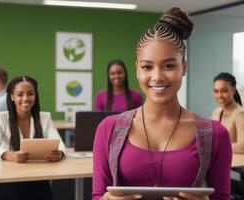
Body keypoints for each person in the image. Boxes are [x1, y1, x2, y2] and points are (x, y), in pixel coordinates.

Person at [92, 7, 232, 200]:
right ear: (137, 69)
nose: (157, 77)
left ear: (184, 66)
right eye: (147, 67)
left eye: (169, 66)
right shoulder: (108, 129)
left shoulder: (216, 134)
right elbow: (97, 195)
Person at [0, 76, 66, 200]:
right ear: (12, 96)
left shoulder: (45, 118)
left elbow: (60, 144)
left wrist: (59, 154)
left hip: (38, 178)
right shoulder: (0, 118)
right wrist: (8, 155)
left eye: (30, 94)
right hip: (8, 180)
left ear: (35, 95)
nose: (25, 98)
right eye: (20, 94)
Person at [211, 72, 244, 154]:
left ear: (233, 90)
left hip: (236, 163)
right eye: (216, 91)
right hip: (220, 159)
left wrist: (217, 147)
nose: (219, 95)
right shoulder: (216, 112)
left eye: (224, 91)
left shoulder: (240, 114)